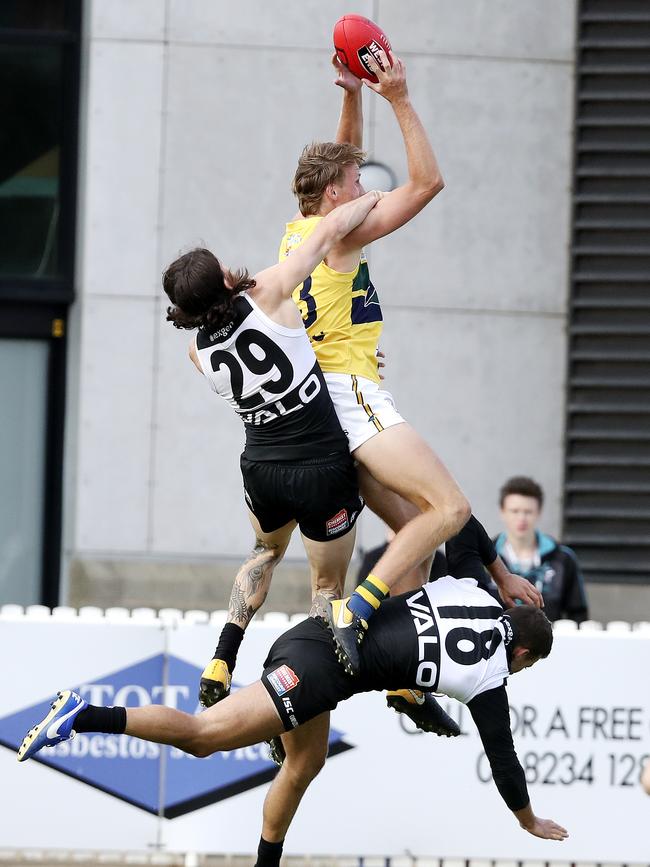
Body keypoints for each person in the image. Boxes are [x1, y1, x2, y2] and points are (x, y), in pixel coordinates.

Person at [17, 516, 568, 866]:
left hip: (322, 631)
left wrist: (501, 570)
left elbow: (463, 525)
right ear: (520, 655)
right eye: (524, 668)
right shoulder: (491, 677)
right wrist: (528, 820)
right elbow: (505, 762)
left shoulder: (474, 586)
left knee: (305, 764)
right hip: (318, 671)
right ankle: (83, 715)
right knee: (204, 737)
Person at [275, 49, 542, 676]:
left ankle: (395, 679)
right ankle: (358, 609)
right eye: (357, 185)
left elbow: (342, 163)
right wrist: (394, 96)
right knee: (447, 510)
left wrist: (350, 94)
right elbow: (427, 183)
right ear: (337, 196)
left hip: (324, 402)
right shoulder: (346, 231)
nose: (365, 188)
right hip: (353, 396)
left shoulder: (302, 227)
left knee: (419, 541)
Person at [161, 189, 383, 707]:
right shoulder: (271, 290)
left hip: (263, 469)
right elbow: (329, 231)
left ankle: (223, 655)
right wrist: (370, 193)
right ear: (222, 279)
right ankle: (307, 684)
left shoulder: (195, 350)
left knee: (264, 553)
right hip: (322, 465)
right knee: (326, 588)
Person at [495, 476, 588, 623]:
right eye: (515, 511)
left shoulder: (563, 558)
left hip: (550, 643)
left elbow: (578, 614)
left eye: (528, 512)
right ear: (502, 512)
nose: (521, 518)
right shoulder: (484, 558)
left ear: (539, 512)